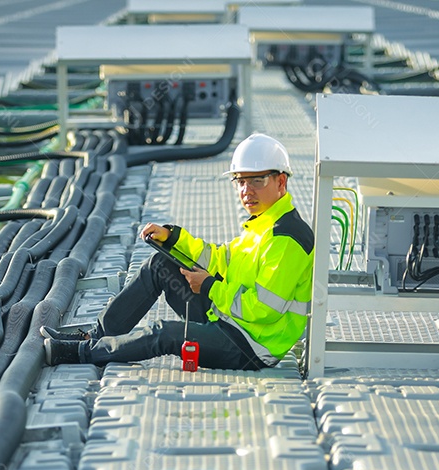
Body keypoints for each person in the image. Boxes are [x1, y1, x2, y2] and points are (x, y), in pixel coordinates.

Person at [41, 133, 314, 371]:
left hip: (248, 346)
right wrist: (172, 238)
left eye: (256, 181)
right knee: (160, 264)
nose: (246, 191)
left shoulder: (287, 238)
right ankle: (95, 336)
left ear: (281, 182)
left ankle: (81, 353)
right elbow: (219, 259)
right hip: (228, 318)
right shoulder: (263, 223)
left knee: (165, 334)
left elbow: (264, 310)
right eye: (240, 181)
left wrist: (209, 287)